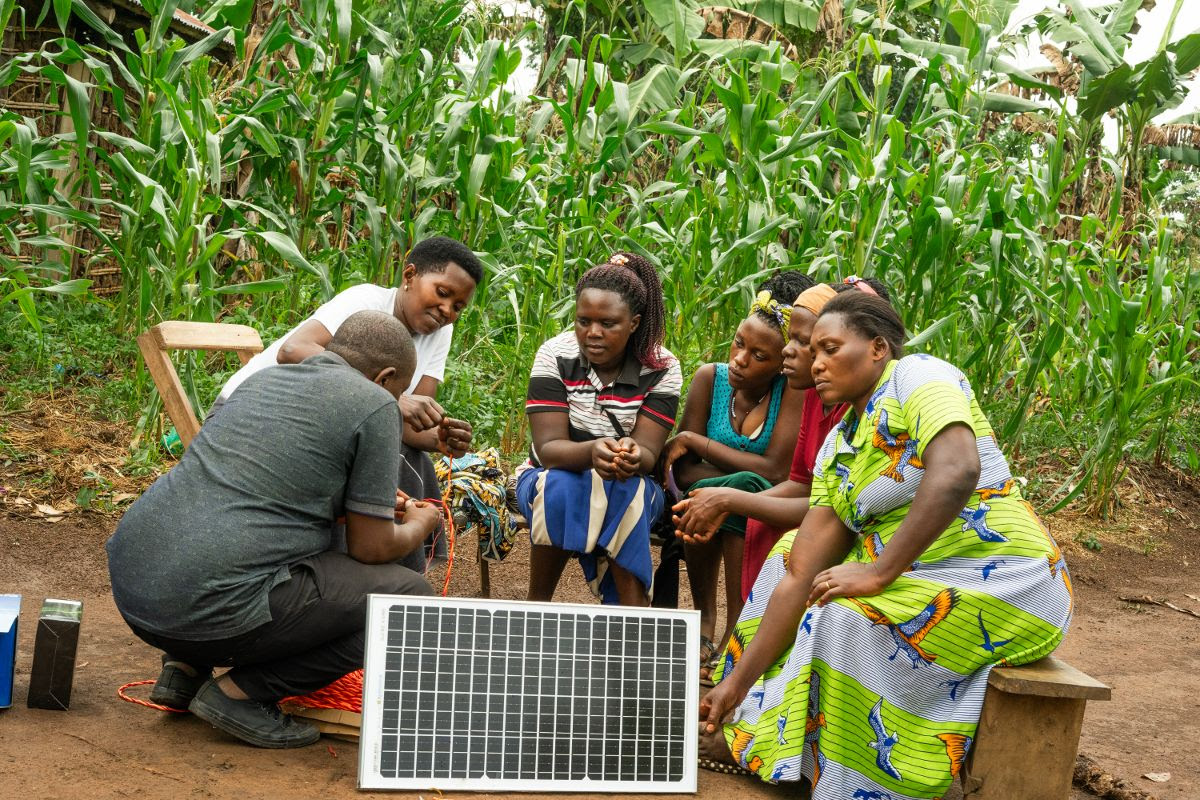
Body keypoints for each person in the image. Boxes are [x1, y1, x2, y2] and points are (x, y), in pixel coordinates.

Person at [697, 292, 1073, 800]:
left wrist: (878, 574)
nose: (817, 361)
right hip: (922, 574)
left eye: (831, 348)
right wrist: (735, 684)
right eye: (815, 351)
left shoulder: (918, 376)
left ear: (877, 348)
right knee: (791, 555)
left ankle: (857, 781)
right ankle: (766, 730)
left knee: (845, 617)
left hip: (1010, 578)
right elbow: (802, 570)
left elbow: (959, 469)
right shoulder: (840, 446)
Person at [107, 311, 442, 748]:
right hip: (203, 609)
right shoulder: (375, 403)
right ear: (386, 377)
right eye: (399, 391)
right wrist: (420, 523)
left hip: (136, 590)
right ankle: (239, 695)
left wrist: (359, 504)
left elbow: (266, 488)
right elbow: (372, 547)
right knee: (409, 601)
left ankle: (183, 670)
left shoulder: (263, 381)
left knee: (224, 534)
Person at [213, 236, 481, 536]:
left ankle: (386, 567)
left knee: (409, 458)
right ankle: (361, 560)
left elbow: (408, 426)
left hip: (320, 428)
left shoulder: (439, 333)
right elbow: (292, 350)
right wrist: (389, 398)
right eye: (442, 293)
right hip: (253, 414)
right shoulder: (366, 302)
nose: (447, 310)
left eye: (458, 306)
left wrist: (440, 438)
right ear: (409, 276)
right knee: (363, 462)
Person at [674, 277, 890, 608]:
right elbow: (802, 485)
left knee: (762, 514)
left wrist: (732, 498)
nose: (790, 350)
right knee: (742, 500)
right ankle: (736, 633)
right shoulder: (814, 398)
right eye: (801, 342)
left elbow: (818, 499)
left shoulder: (870, 408)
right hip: (827, 516)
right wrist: (726, 497)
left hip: (867, 538)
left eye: (811, 344)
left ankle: (740, 631)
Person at [659, 271, 811, 675]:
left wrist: (698, 440)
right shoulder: (711, 379)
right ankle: (705, 618)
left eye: (759, 356)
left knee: (743, 489)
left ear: (781, 364)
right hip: (701, 499)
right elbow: (684, 470)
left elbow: (777, 470)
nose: (739, 359)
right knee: (726, 488)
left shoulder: (791, 393)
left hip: (760, 503)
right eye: (739, 344)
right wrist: (723, 469)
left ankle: (735, 629)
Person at [516, 252, 682, 606]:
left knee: (627, 491)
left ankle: (630, 619)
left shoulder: (662, 367)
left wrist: (632, 457)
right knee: (560, 485)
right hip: (550, 475)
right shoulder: (554, 355)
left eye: (608, 323)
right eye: (583, 321)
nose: (592, 333)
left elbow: (648, 451)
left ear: (634, 323)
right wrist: (592, 453)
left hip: (628, 483)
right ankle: (535, 606)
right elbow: (548, 449)